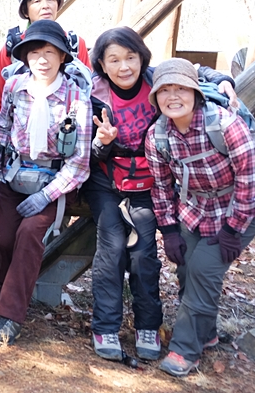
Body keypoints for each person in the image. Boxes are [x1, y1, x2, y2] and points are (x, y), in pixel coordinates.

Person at [84, 27, 238, 361]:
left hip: (149, 182)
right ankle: (105, 326)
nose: (124, 67)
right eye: (114, 60)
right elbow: (87, 156)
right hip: (106, 183)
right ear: (102, 65)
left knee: (144, 254)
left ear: (142, 57)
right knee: (111, 248)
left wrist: (225, 79)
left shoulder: (158, 81)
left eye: (131, 57)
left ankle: (148, 325)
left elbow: (195, 71)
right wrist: (103, 143)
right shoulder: (91, 94)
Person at [145, 59, 255, 377]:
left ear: (196, 93)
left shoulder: (224, 125)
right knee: (186, 269)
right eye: (165, 90)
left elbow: (250, 180)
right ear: (156, 97)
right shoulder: (157, 136)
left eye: (181, 88)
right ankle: (207, 332)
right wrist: (169, 230)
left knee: (203, 269)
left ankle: (186, 349)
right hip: (195, 209)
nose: (173, 96)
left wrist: (232, 229)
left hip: (240, 207)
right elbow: (161, 187)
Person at [0, 20, 91, 345]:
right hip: (15, 175)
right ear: (25, 57)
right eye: (35, 52)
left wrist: (45, 197)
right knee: (3, 239)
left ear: (62, 57)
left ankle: (10, 316)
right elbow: (3, 125)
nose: (42, 59)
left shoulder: (76, 99)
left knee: (29, 234)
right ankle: (6, 292)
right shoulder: (15, 87)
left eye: (50, 52)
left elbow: (79, 162)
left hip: (54, 182)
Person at [0, 0, 92, 116]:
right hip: (21, 123)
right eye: (37, 1)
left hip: (66, 123)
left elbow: (88, 87)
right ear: (25, 11)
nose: (45, 6)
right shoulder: (13, 46)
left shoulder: (75, 43)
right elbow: (0, 92)